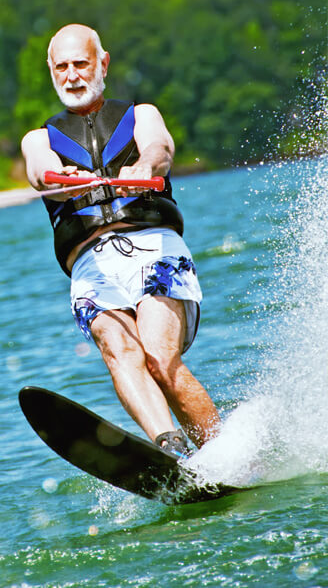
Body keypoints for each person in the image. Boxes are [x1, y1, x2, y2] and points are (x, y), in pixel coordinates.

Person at [21, 24, 220, 457]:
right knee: (119, 348)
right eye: (62, 67)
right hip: (91, 266)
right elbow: (39, 171)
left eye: (81, 64)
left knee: (157, 355)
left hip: (153, 248)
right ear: (51, 72)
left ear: (103, 64)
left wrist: (143, 167)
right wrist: (61, 180)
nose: (72, 76)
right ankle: (168, 448)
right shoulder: (38, 139)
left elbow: (160, 149)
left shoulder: (141, 114)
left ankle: (226, 452)